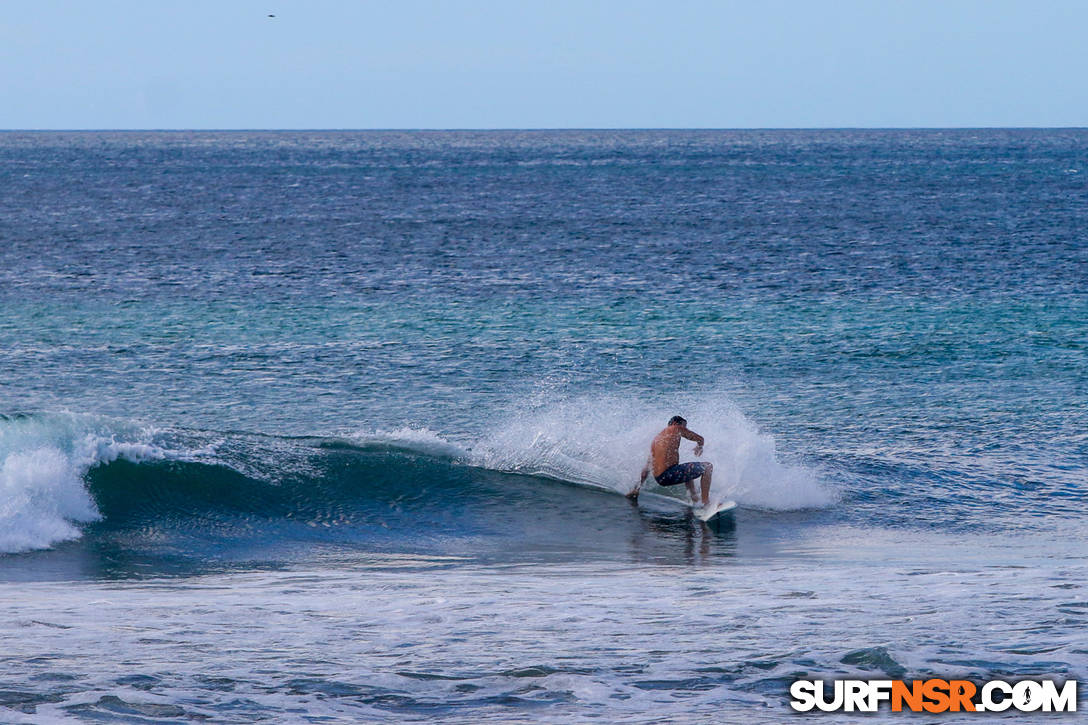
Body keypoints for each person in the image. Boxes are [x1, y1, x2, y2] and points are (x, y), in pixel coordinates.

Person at [628, 416, 713, 506]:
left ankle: (695, 499)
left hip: (660, 478)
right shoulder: (676, 428)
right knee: (707, 467)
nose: (685, 429)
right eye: (684, 426)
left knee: (687, 470)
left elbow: (647, 467)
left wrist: (636, 489)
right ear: (675, 423)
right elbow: (700, 439)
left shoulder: (656, 440)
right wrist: (699, 447)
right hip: (669, 474)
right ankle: (706, 503)